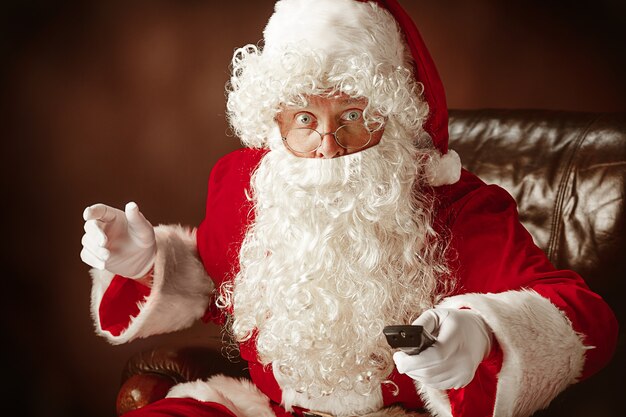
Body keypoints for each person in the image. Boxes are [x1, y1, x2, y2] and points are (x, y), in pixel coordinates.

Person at [80, 1, 618, 416]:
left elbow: (584, 318)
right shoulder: (245, 182)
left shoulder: (460, 207)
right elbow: (224, 288)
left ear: (392, 114)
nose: (328, 145)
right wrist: (145, 262)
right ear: (276, 119)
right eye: (305, 119)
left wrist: (482, 337)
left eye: (353, 115)